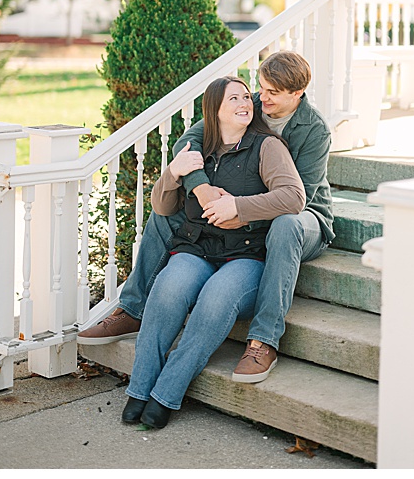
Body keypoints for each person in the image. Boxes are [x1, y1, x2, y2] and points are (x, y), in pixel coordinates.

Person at [80, 49, 333, 384]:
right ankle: (132, 309)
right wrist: (200, 190)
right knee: (165, 214)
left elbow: (296, 200)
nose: (261, 98)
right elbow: (188, 142)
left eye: (272, 93)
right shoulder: (250, 103)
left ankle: (263, 341)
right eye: (261, 87)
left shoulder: (314, 130)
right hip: (236, 205)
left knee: (285, 227)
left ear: (297, 93)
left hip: (306, 217)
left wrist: (240, 211)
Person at [118, 75, 306, 429]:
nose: (245, 103)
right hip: (198, 248)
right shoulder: (197, 149)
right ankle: (139, 389)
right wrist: (173, 174)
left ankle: (165, 394)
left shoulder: (267, 147)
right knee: (167, 289)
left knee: (215, 300)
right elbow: (161, 206)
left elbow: (294, 197)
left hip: (246, 256)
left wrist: (239, 206)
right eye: (233, 99)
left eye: (245, 98)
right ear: (214, 110)